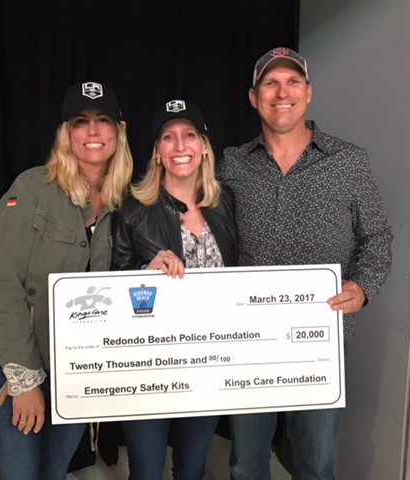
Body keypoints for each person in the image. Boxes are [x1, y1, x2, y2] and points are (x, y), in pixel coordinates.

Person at [217, 47, 394, 480]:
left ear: (309, 93)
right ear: (254, 97)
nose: (282, 92)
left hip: (321, 339)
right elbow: (204, 232)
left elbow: (378, 237)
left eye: (292, 82)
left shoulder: (348, 162)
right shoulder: (231, 164)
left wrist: (363, 287)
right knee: (245, 463)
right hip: (250, 339)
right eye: (270, 84)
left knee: (314, 462)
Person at [0, 81, 133, 480]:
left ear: (119, 131)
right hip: (13, 368)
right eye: (81, 122)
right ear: (67, 134)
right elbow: (1, 287)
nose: (93, 131)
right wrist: (24, 381)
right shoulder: (31, 190)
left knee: (54, 474)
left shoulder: (124, 202)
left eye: (103, 121)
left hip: (75, 371)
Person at [110, 99, 237, 479]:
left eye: (189, 135)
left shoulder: (225, 202)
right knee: (147, 471)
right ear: (157, 153)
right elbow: (107, 292)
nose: (180, 146)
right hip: (148, 367)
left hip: (208, 364)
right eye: (168, 137)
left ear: (203, 147)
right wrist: (143, 275)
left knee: (192, 468)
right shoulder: (133, 210)